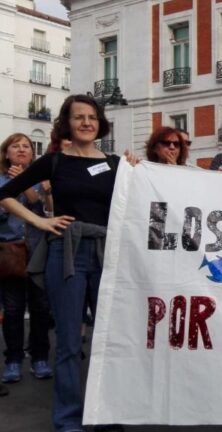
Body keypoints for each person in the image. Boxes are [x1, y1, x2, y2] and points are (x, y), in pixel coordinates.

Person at [0, 94, 135, 432]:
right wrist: (41, 222)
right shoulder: (54, 162)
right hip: (67, 253)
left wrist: (138, 167)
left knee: (109, 341)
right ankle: (68, 420)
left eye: (92, 117)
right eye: (79, 117)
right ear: (67, 123)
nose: (86, 122)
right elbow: (4, 194)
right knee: (70, 345)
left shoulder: (117, 163)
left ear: (100, 123)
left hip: (108, 253)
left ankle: (107, 417)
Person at [0, 133, 52, 384]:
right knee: (12, 310)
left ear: (32, 154)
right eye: (15, 146)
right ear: (6, 153)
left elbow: (44, 209)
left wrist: (22, 184)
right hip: (11, 252)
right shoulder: (0, 180)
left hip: (39, 251)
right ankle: (13, 359)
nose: (21, 150)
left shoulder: (43, 179)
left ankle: (39, 357)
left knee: (41, 308)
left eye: (26, 146)